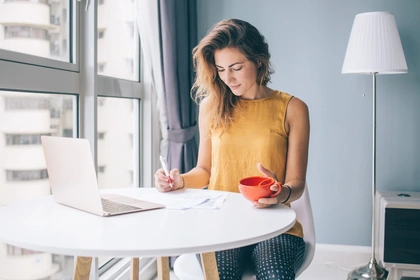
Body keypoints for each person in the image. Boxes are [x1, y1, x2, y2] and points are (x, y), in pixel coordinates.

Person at [154, 18, 310, 280]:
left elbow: (297, 183)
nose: (228, 78)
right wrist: (179, 181)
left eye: (236, 67)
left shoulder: (293, 108)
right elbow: (204, 170)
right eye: (221, 69)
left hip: (276, 225)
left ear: (259, 61)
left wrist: (281, 192)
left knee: (274, 274)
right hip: (222, 224)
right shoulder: (210, 107)